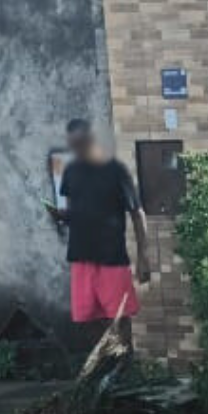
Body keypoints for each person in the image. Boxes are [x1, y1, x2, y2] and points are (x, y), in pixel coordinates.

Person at [46, 119, 151, 339]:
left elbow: (137, 214)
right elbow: (75, 212)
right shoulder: (71, 172)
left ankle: (123, 358)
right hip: (81, 258)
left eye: (81, 144)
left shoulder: (116, 171)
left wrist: (143, 257)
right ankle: (105, 358)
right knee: (87, 320)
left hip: (111, 259)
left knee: (120, 318)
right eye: (73, 145)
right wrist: (62, 216)